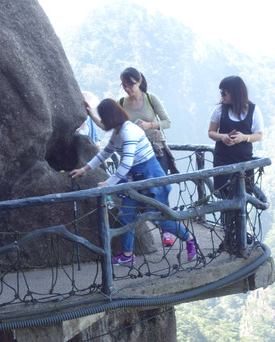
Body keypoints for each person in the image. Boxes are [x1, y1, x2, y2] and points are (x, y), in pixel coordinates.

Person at [71, 99, 197, 264]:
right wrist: (83, 169)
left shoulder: (128, 131)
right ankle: (127, 255)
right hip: (134, 180)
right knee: (126, 216)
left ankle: (189, 239)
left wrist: (108, 183)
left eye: (103, 117)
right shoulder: (117, 132)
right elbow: (105, 154)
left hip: (151, 179)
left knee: (159, 218)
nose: (103, 121)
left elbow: (126, 164)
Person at [208, 76, 265, 252]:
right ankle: (229, 236)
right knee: (226, 198)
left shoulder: (253, 110)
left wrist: (243, 137)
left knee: (241, 197)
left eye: (224, 92)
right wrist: (222, 137)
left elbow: (259, 134)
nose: (222, 96)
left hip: (243, 162)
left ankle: (238, 238)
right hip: (223, 159)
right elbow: (211, 132)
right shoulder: (219, 110)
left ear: (234, 92)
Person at [86, 67, 177, 174]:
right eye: (124, 85)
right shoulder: (121, 103)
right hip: (134, 154)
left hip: (156, 151)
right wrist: (91, 114)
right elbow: (107, 125)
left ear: (139, 82)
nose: (127, 88)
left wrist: (149, 125)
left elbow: (167, 122)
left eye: (130, 84)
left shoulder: (150, 99)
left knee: (158, 186)